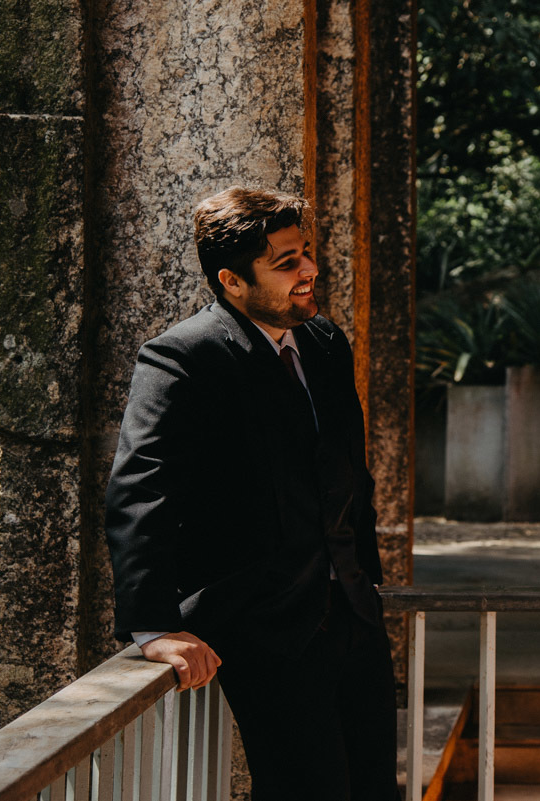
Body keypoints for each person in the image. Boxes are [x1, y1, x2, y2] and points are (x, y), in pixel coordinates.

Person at [105, 187, 400, 801]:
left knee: (376, 789)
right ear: (232, 282)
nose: (309, 270)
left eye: (306, 253)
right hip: (265, 627)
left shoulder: (324, 344)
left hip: (351, 614)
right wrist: (155, 625)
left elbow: (347, 469)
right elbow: (140, 491)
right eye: (286, 261)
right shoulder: (181, 357)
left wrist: (362, 579)